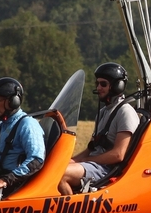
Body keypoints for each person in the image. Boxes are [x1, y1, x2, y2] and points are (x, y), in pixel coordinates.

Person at [58, 63, 140, 195]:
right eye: (97, 84)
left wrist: (86, 160)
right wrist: (68, 161)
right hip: (94, 165)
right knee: (53, 169)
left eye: (103, 84)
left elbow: (118, 154)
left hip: (106, 169)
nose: (98, 88)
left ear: (117, 86)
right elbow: (91, 149)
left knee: (60, 174)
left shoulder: (125, 112)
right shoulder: (102, 112)